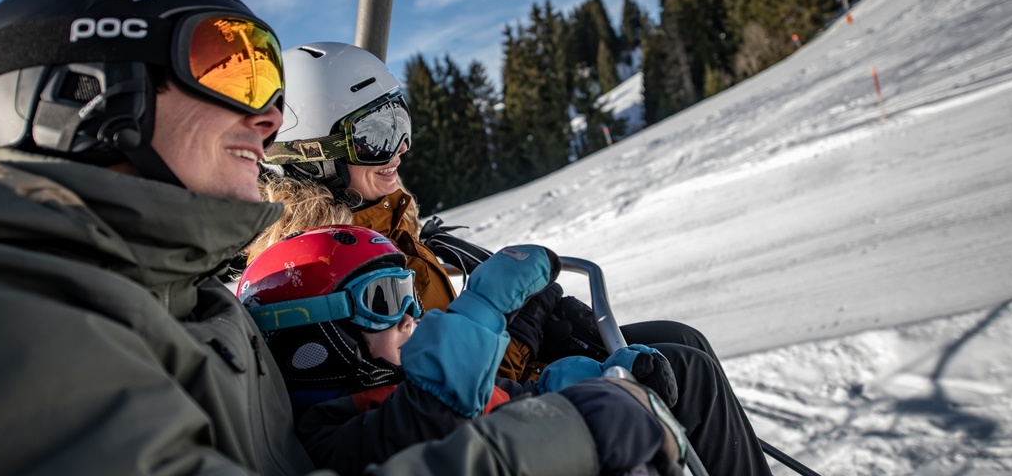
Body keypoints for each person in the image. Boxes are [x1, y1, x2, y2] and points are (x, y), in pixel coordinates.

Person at [0, 0, 690, 476]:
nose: (267, 115)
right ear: (86, 95)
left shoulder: (191, 300)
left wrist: (543, 383)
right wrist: (561, 429)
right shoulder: (19, 322)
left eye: (270, 83)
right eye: (228, 68)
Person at [251, 42, 773, 475]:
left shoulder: (385, 222)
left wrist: (537, 322)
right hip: (476, 411)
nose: (400, 148)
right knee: (685, 368)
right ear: (313, 156)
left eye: (399, 122)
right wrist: (521, 325)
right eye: (376, 137)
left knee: (680, 343)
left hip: (490, 387)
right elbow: (420, 384)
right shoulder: (323, 264)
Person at [238, 225, 682, 474]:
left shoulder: (407, 380)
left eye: (408, 293)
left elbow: (515, 396)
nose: (410, 315)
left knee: (685, 366)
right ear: (315, 336)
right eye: (383, 300)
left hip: (559, 445)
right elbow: (430, 416)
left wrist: (597, 379)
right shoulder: (329, 435)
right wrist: (483, 307)